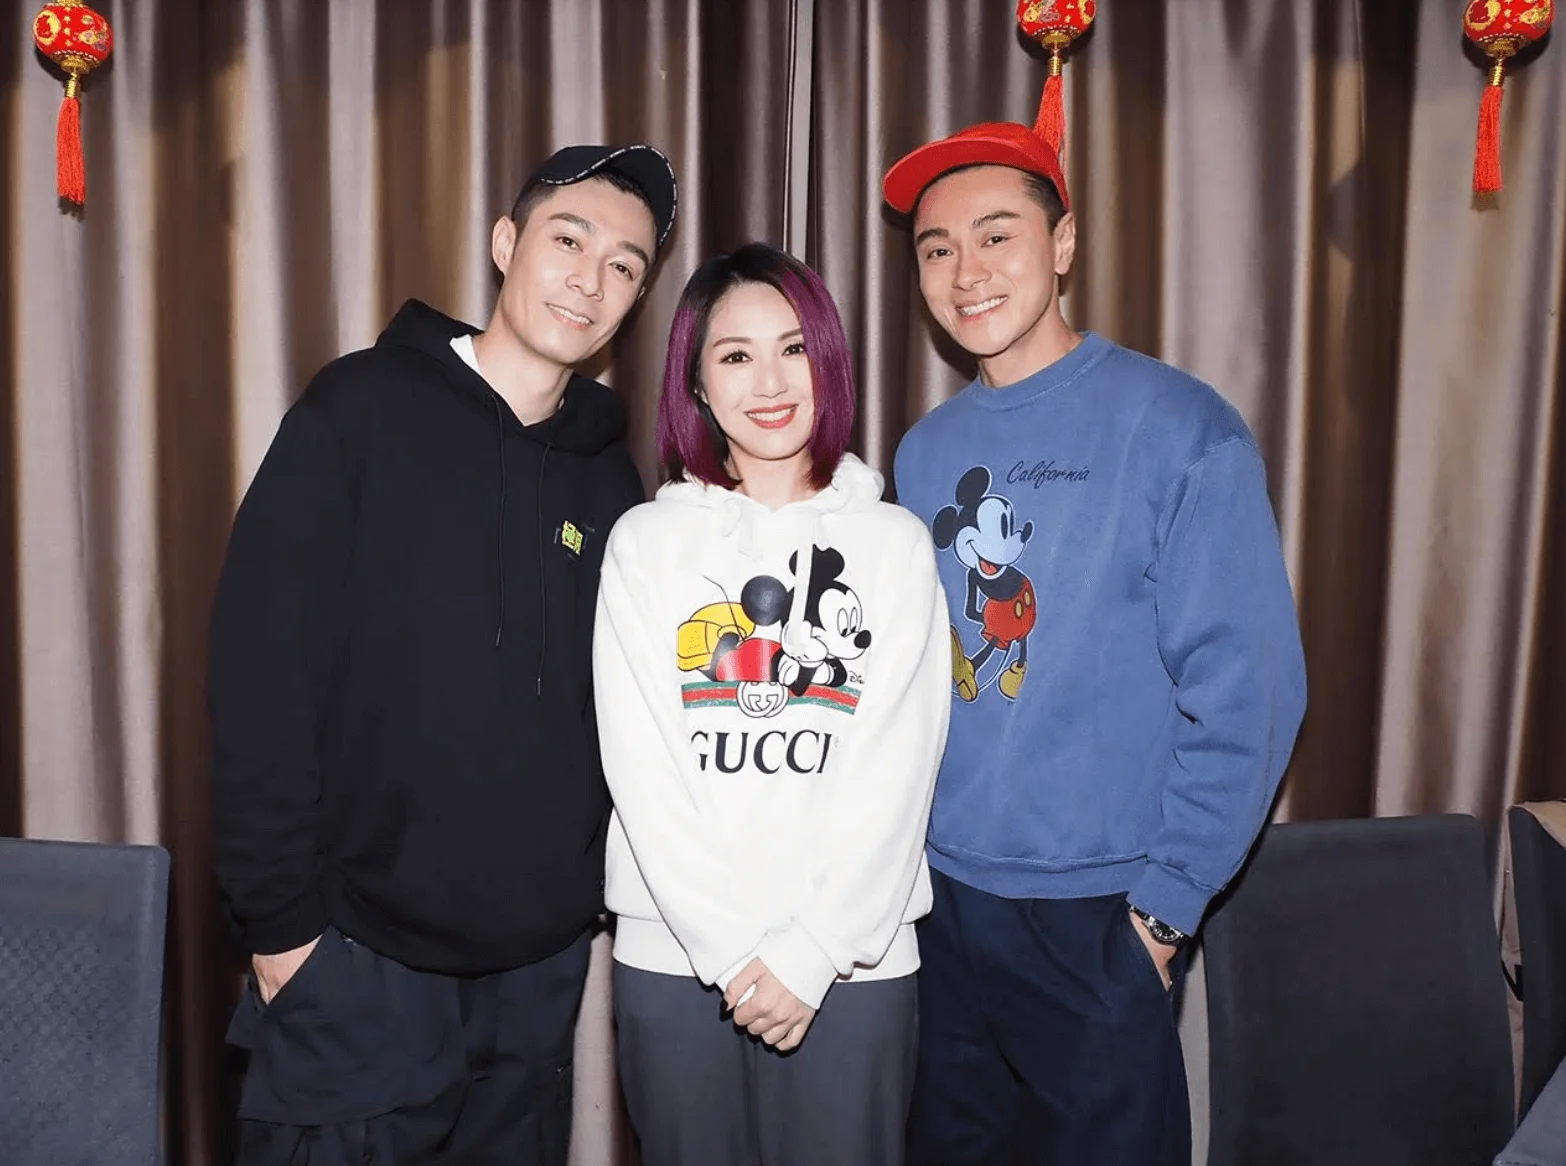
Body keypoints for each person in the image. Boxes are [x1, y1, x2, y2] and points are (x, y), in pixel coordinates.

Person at [208, 143, 677, 1166]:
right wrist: (282, 926)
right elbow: (259, 673)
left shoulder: (610, 484)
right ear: (506, 243)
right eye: (568, 240)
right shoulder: (358, 410)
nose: (590, 280)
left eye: (624, 265)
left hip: (534, 980)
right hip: (354, 958)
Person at [882, 121, 1308, 1165]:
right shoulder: (925, 452)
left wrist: (1163, 912)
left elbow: (1251, 691)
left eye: (997, 235)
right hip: (935, 905)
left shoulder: (1179, 427)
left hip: (1097, 913)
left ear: (1063, 244)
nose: (966, 271)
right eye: (938, 248)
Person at [592, 242, 951, 1166]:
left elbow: (899, 770)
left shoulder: (894, 543)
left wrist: (813, 951)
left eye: (793, 349)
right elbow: (641, 768)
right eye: (735, 355)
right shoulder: (645, 542)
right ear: (697, 383)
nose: (770, 381)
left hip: (854, 961)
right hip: (675, 959)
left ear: (828, 361)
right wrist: (727, 946)